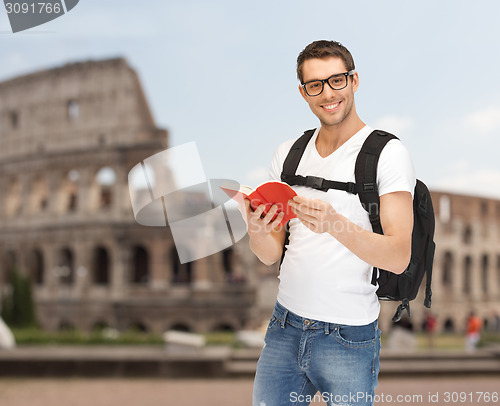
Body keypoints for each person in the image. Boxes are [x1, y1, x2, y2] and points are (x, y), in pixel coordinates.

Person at [243, 40, 416, 406]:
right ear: (304, 92)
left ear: (354, 81)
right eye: (315, 85)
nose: (327, 93)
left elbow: (399, 256)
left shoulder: (387, 154)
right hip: (284, 327)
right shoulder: (287, 154)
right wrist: (256, 227)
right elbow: (269, 255)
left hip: (348, 336)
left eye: (336, 80)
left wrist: (335, 224)